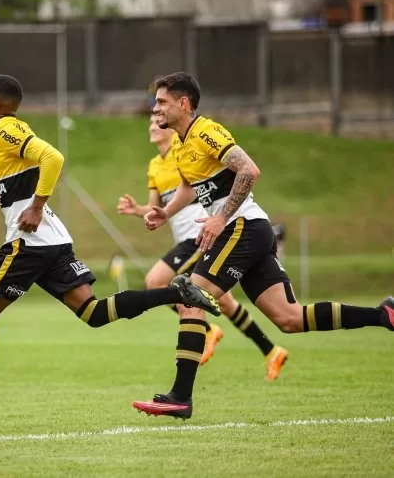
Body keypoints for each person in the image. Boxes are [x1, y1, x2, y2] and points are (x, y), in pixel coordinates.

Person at [0, 74, 220, 425]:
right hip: (52, 240)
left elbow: (53, 158)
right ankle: (176, 293)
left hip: (29, 242)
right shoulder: (7, 133)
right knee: (93, 312)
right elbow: (22, 185)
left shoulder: (4, 129)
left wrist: (36, 208)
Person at [133, 71, 394, 420]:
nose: (155, 108)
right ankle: (383, 314)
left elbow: (249, 170)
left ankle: (180, 397)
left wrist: (220, 218)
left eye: (162, 102)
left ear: (183, 104)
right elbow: (190, 187)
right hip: (249, 231)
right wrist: (165, 213)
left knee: (189, 297)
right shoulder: (180, 145)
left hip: (242, 228)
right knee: (289, 318)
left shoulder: (206, 131)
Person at [118, 115, 288, 380]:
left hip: (200, 236)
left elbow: (201, 187)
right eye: (150, 122)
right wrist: (137, 210)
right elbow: (157, 207)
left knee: (155, 282)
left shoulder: (187, 150)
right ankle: (271, 350)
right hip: (185, 240)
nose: (153, 125)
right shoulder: (154, 166)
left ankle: (207, 332)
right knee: (225, 302)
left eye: (158, 120)